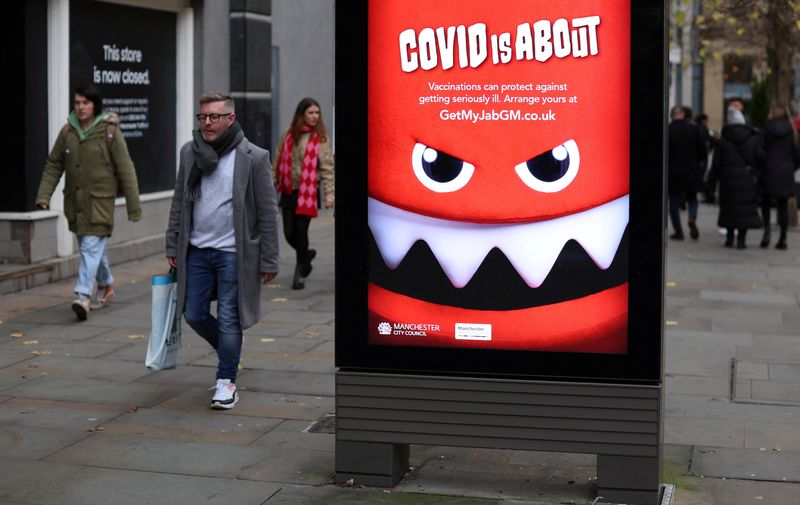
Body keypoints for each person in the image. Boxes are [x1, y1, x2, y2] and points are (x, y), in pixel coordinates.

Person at [165, 92, 279, 409]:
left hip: (234, 254)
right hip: (197, 251)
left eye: (214, 116)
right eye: (203, 117)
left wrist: (269, 259)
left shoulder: (252, 157)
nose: (207, 123)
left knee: (230, 320)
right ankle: (231, 352)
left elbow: (268, 212)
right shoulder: (190, 153)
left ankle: (226, 382)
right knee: (194, 314)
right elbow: (179, 202)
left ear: (230, 119)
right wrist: (172, 242)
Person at [35, 85, 141, 320]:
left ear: (95, 105)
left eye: (86, 103)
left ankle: (83, 295)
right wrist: (44, 196)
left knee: (90, 248)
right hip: (76, 205)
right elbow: (54, 165)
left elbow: (126, 169)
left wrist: (134, 206)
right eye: (77, 103)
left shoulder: (109, 131)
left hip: (101, 204)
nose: (81, 107)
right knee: (91, 249)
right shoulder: (67, 132)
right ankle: (106, 285)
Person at [272, 97, 335, 289]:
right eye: (311, 113)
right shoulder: (288, 135)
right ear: (301, 114)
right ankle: (306, 255)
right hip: (289, 190)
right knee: (289, 232)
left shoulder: (321, 138)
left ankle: (300, 272)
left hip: (308, 193)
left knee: (301, 231)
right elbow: (277, 160)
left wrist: (330, 194)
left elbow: (327, 168)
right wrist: (271, 183)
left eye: (317, 113)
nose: (315, 116)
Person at [707, 108, 762, 248]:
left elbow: (716, 165)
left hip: (727, 180)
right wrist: (755, 174)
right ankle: (741, 240)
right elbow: (760, 159)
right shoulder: (753, 139)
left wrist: (710, 187)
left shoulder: (722, 141)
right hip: (747, 180)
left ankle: (730, 238)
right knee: (745, 209)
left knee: (729, 209)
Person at [759, 104, 800, 250]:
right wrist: (791, 167)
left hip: (769, 168)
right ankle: (783, 238)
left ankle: (767, 233)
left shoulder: (767, 127)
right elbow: (797, 154)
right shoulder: (792, 129)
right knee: (783, 205)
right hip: (786, 170)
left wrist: (763, 163)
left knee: (766, 202)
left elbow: (760, 149)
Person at [667, 105, 707, 240]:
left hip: (672, 170)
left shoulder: (668, 129)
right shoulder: (694, 128)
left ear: (672, 115)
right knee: (692, 197)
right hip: (691, 168)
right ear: (683, 114)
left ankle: (678, 231)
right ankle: (692, 217)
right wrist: (701, 164)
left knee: (672, 200)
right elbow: (702, 149)